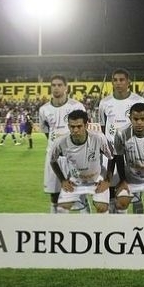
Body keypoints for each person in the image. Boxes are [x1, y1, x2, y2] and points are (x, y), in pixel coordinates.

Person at [98, 68, 144, 213]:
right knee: (112, 191)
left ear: (128, 82)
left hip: (133, 152)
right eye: (115, 80)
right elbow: (103, 127)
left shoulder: (139, 101)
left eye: (122, 80)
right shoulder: (105, 103)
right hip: (111, 154)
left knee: (136, 193)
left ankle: (140, 226)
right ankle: (115, 225)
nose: (118, 83)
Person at [39, 74, 87, 214]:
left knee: (79, 195)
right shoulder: (44, 109)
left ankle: (87, 227)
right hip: (54, 157)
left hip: (73, 155)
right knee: (54, 195)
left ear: (66, 87)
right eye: (53, 85)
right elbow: (46, 132)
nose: (56, 88)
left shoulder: (77, 106)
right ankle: (56, 227)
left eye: (59, 85)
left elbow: (84, 129)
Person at [49, 110, 114, 214]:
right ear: (68, 126)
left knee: (102, 208)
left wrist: (107, 181)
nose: (75, 130)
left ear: (86, 125)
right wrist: (62, 180)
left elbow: (112, 157)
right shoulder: (61, 142)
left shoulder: (98, 138)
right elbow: (52, 161)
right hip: (74, 181)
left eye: (79, 126)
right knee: (61, 210)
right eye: (72, 126)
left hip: (97, 180)